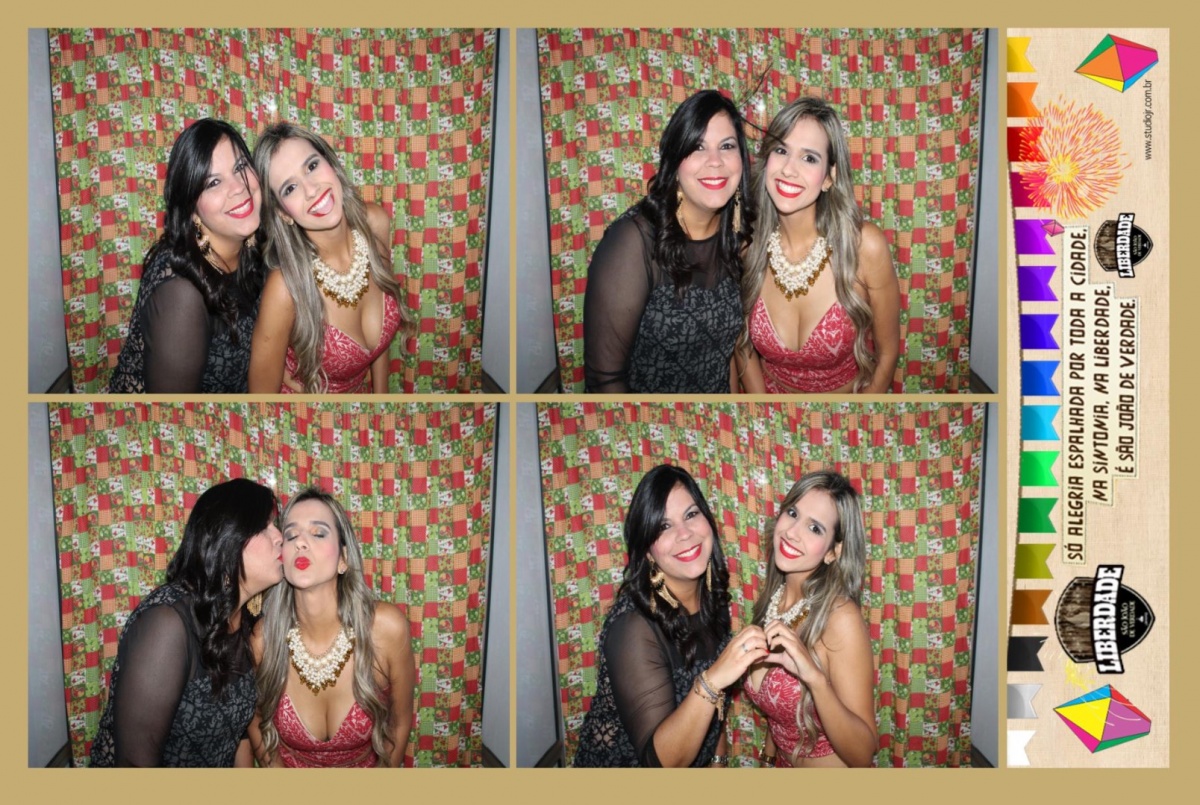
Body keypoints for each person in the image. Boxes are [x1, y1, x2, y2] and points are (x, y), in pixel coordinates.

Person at [574, 465, 769, 767]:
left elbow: (712, 702)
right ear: (647, 550)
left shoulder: (710, 595)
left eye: (691, 514)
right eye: (664, 526)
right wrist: (713, 679)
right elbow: (661, 763)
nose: (684, 534)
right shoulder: (633, 628)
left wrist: (718, 759)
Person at [90, 479, 283, 767]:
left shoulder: (243, 621)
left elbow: (237, 729)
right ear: (226, 537)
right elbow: (133, 763)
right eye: (264, 526)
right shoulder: (167, 624)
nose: (280, 537)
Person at [583, 90, 753, 393]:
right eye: (698, 147)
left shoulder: (737, 237)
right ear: (675, 162)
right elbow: (604, 381)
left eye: (727, 146)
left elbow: (723, 353)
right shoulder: (633, 243)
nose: (715, 161)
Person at [738, 97, 900, 393]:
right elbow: (742, 346)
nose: (789, 169)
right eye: (781, 150)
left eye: (809, 158)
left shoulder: (864, 247)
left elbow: (888, 355)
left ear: (829, 178)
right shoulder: (748, 247)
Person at [249, 488, 415, 767]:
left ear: (343, 558)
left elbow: (399, 724)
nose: (301, 543)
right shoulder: (262, 639)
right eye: (291, 535)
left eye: (318, 533)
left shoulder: (385, 629)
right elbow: (254, 722)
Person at [249, 123, 409, 393]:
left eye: (312, 166)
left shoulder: (375, 224)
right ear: (283, 213)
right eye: (290, 188)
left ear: (331, 164)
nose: (311, 189)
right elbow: (260, 401)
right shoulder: (284, 289)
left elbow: (379, 343)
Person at [110, 119, 266, 393]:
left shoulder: (252, 246)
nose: (238, 187)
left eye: (240, 167)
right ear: (191, 207)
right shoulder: (181, 295)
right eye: (213, 182)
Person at [743, 471, 877, 767]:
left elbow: (863, 754)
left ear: (833, 552)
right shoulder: (774, 600)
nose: (792, 532)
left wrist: (815, 679)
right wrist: (768, 758)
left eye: (815, 528)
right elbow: (780, 708)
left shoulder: (840, 617)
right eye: (792, 513)